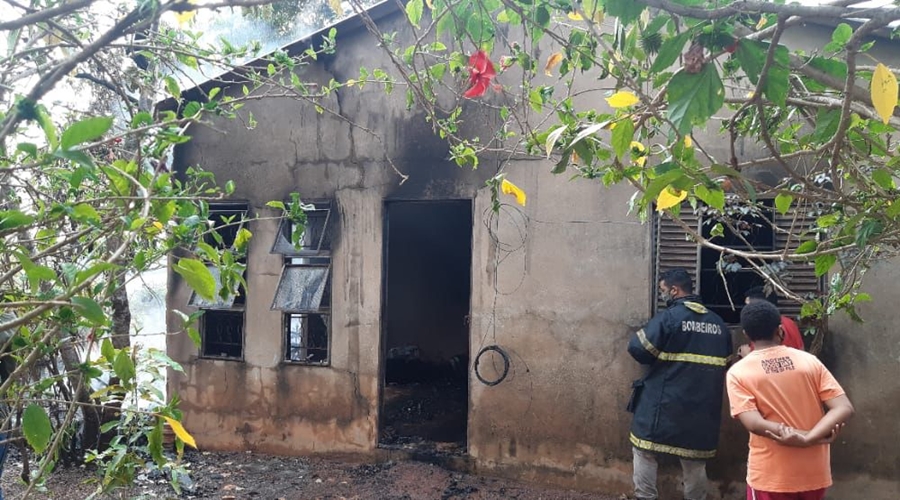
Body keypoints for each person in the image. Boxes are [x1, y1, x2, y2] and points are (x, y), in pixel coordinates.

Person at [727, 301, 854, 500]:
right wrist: (810, 438)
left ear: (746, 334)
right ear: (780, 331)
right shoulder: (808, 361)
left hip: (771, 476)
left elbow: (754, 423)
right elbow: (843, 407)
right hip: (813, 472)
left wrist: (802, 437)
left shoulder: (738, 372)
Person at [627, 268, 733, 500]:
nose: (663, 295)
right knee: (694, 463)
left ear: (675, 290)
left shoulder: (668, 319)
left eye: (664, 291)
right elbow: (726, 363)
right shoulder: (718, 325)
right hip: (701, 410)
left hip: (662, 406)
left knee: (644, 451)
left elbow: (638, 349)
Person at [736, 286, 804, 358]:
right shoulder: (789, 322)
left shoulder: (761, 328)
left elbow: (766, 365)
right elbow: (801, 349)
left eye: (751, 307)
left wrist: (747, 356)